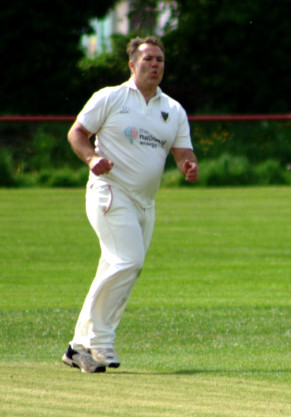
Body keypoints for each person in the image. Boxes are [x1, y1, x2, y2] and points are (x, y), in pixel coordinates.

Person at [62, 36, 199, 373]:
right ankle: (101, 343)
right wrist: (92, 157)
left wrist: (188, 165)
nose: (155, 65)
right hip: (109, 191)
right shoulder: (110, 97)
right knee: (129, 261)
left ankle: (77, 347)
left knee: (116, 268)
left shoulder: (173, 109)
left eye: (160, 60)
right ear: (132, 65)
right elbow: (76, 134)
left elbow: (183, 151)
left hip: (144, 204)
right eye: (148, 59)